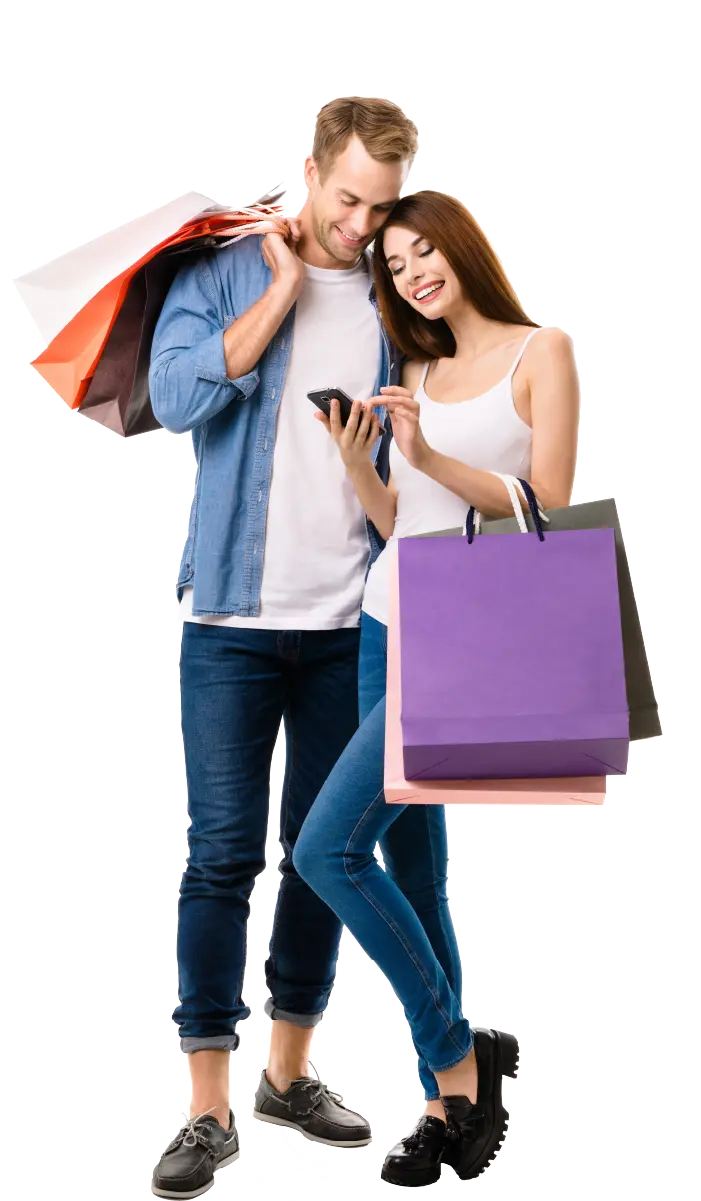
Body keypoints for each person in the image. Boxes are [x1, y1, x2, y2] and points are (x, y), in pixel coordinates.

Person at [148, 97, 419, 1199]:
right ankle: (205, 1107)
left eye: (380, 208)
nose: (360, 226)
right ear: (310, 171)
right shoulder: (222, 269)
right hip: (229, 621)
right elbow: (175, 398)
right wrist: (279, 290)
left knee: (320, 854)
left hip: (352, 622)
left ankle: (289, 1074)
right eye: (347, 199)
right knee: (221, 854)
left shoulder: (401, 293)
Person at [293, 189, 579, 1186]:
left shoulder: (539, 351)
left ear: (461, 245)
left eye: (423, 252)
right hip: (385, 619)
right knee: (412, 872)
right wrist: (363, 467)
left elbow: (548, 505)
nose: (411, 273)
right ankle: (447, 1104)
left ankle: (459, 1053)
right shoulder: (414, 366)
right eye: (395, 263)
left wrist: (427, 454)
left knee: (325, 849)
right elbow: (400, 522)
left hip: (462, 636)